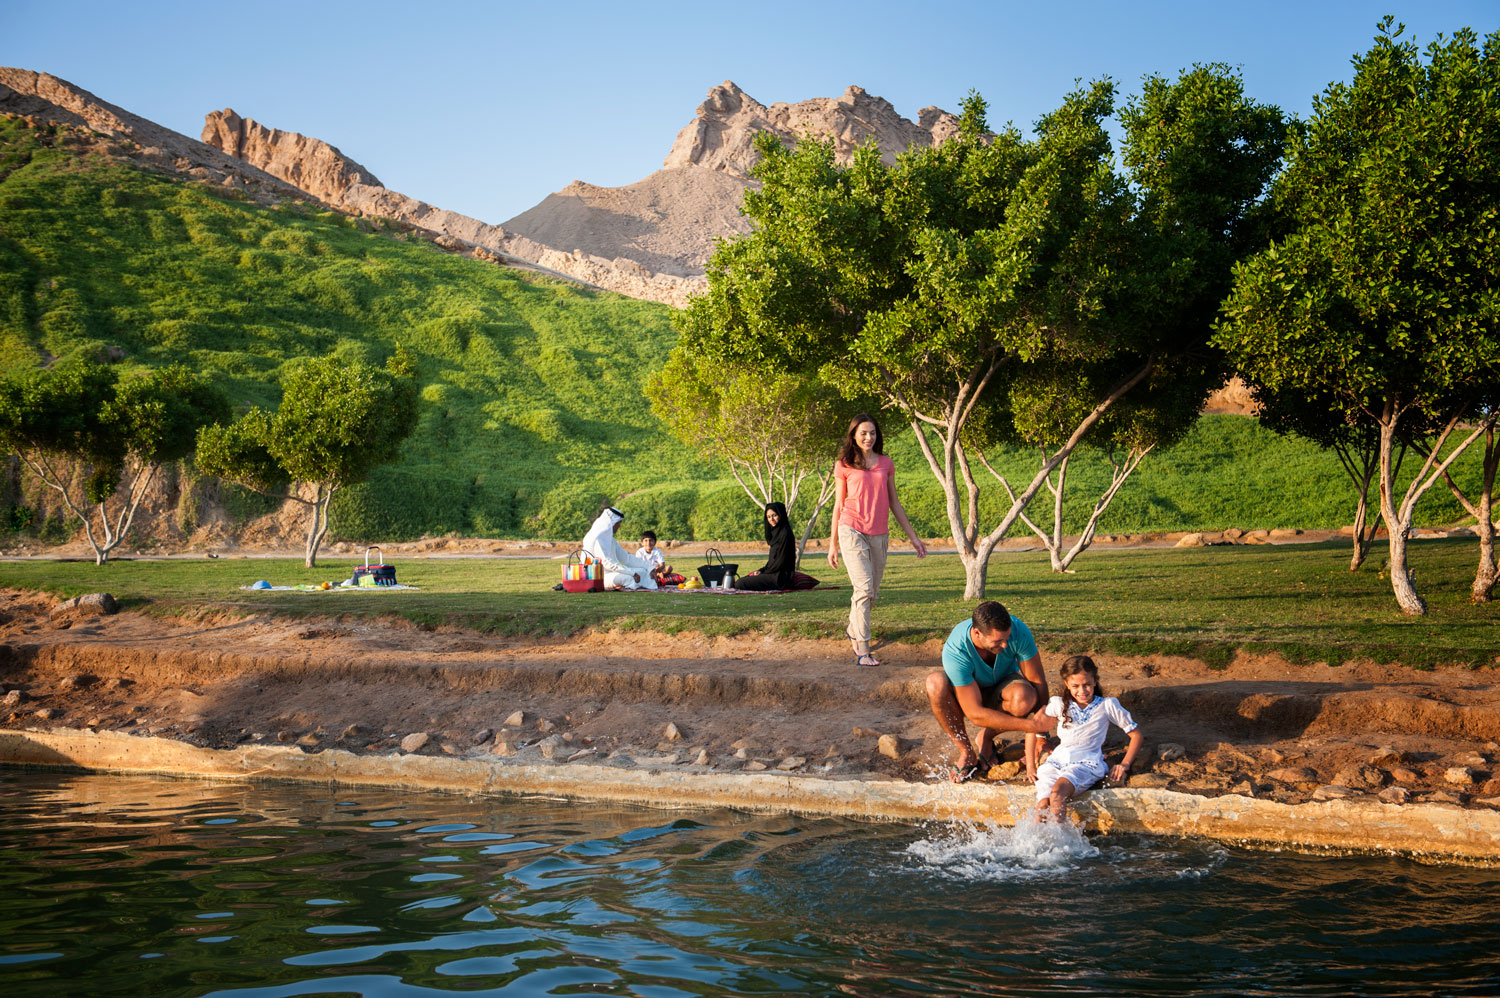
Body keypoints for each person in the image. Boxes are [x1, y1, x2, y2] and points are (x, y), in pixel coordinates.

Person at [826, 414, 927, 666]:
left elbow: (894, 502)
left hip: (879, 533)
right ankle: (863, 650)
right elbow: (838, 505)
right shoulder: (844, 465)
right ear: (853, 436)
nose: (868, 437)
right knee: (863, 588)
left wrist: (913, 537)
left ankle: (853, 628)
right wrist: (832, 544)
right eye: (863, 433)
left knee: (871, 592)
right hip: (851, 529)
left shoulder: (886, 463)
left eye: (872, 433)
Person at [925, 600, 1051, 783]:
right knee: (934, 683)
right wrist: (1031, 726)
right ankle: (966, 752)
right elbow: (975, 715)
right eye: (998, 641)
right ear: (977, 633)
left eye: (1007, 638)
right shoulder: (956, 649)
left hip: (1003, 685)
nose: (1006, 645)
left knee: (1024, 697)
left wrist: (1042, 736)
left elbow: (1038, 681)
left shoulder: (1018, 630)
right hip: (969, 695)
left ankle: (987, 736)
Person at [1027, 655, 1142, 824]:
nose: (1082, 691)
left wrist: (1124, 764)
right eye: (1075, 686)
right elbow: (1032, 728)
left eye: (1087, 684)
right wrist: (1031, 766)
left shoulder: (1107, 705)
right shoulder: (1059, 704)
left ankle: (1060, 845)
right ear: (1067, 684)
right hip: (1056, 762)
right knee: (1043, 803)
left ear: (1095, 681)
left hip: (1086, 763)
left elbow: (1136, 735)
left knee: (1057, 794)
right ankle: (1032, 846)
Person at [737, 502, 819, 591]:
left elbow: (780, 563)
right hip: (772, 573)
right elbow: (772, 562)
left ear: (781, 515)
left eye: (774, 515)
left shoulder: (785, 534)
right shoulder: (775, 534)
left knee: (741, 583)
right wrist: (761, 571)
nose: (771, 519)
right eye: (768, 517)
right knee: (743, 580)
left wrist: (764, 574)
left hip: (781, 577)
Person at [581, 507, 658, 590]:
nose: (619, 526)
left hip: (614, 572)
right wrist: (632, 573)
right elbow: (607, 563)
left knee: (643, 571)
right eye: (619, 523)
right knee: (629, 578)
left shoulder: (611, 540)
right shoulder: (598, 539)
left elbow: (626, 558)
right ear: (612, 523)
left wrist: (649, 567)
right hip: (599, 576)